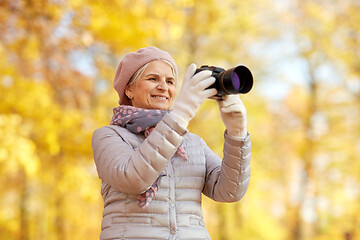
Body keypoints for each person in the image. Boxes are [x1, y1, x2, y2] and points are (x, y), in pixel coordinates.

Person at [92, 46, 251, 240]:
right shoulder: (109, 136)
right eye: (153, 79)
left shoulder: (192, 143)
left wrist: (237, 132)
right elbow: (133, 179)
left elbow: (230, 192)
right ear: (129, 89)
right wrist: (181, 114)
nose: (163, 87)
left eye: (170, 81)